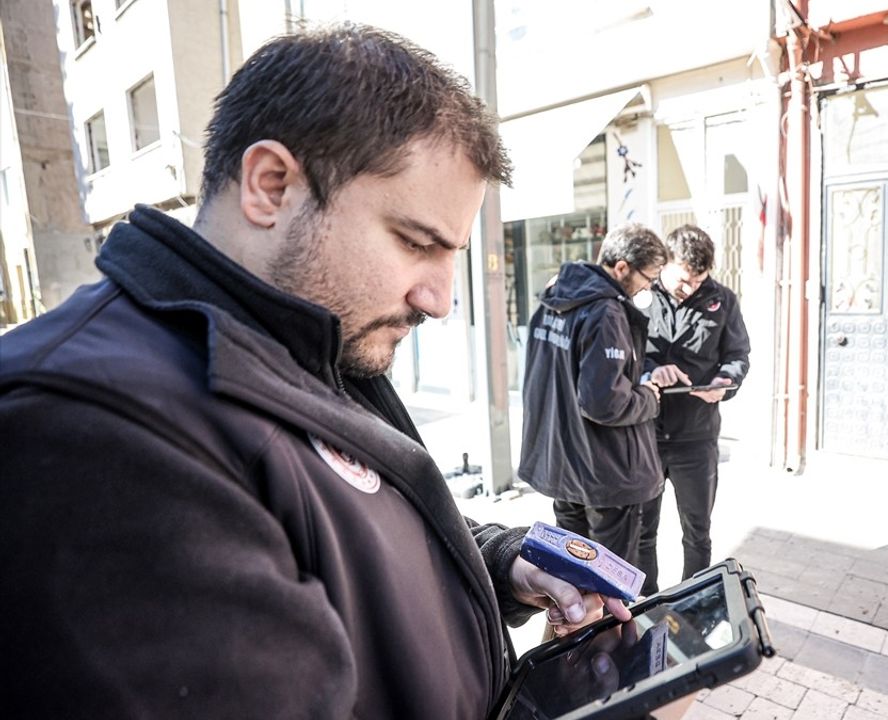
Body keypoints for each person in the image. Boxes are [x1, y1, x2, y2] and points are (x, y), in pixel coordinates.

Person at [0, 25, 630, 718]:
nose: (441, 299)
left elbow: (357, 538)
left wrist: (502, 562)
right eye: (416, 242)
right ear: (271, 186)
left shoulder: (302, 338)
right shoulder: (88, 434)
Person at [518, 223, 670, 567]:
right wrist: (648, 396)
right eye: (649, 277)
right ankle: (603, 624)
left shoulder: (556, 296)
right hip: (605, 473)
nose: (650, 286)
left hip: (563, 464)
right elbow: (605, 403)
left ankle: (575, 623)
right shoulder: (606, 311)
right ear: (622, 268)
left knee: (571, 572)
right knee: (609, 579)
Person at [636, 224, 751, 596]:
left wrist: (724, 383)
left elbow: (737, 356)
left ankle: (693, 602)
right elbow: (621, 358)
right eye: (684, 281)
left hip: (697, 437)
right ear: (666, 264)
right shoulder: (641, 296)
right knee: (642, 530)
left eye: (699, 281)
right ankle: (644, 603)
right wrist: (651, 371)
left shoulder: (723, 301)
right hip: (646, 434)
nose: (691, 289)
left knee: (698, 531)